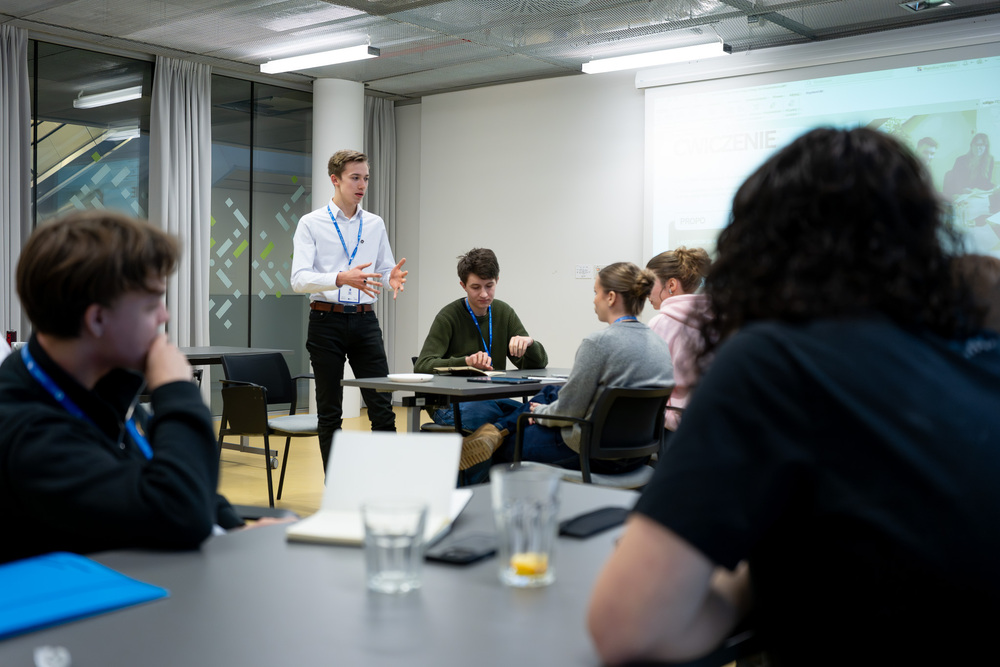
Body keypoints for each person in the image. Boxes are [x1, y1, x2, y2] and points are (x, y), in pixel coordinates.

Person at [587, 128, 1000, 666]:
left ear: (758, 250)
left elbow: (628, 626)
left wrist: (749, 584)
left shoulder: (776, 360)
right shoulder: (977, 355)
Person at [0, 211, 244, 564]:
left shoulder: (95, 382)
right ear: (97, 319)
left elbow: (155, 467)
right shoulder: (29, 433)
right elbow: (178, 511)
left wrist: (234, 530)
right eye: (151, 305)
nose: (165, 317)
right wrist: (176, 389)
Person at [458, 262, 673, 482]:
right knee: (553, 390)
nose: (593, 299)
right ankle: (496, 429)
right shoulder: (659, 344)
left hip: (589, 451)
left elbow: (570, 412)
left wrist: (541, 413)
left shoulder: (598, 343)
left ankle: (481, 475)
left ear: (610, 297)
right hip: (638, 454)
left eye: (595, 292)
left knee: (505, 445)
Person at [291, 149, 408, 469]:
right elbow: (298, 280)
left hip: (365, 322)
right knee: (330, 411)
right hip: (325, 320)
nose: (362, 185)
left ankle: (386, 485)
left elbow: (383, 271)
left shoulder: (374, 224)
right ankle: (335, 489)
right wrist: (340, 278)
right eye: (355, 178)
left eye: (366, 178)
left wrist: (390, 279)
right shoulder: (311, 223)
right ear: (335, 180)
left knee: (382, 407)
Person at [414, 247, 548, 432]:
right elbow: (422, 365)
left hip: (491, 397)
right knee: (492, 417)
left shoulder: (504, 312)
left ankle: (499, 432)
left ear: (497, 281)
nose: (484, 294)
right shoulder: (448, 316)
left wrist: (530, 344)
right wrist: (466, 362)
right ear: (463, 285)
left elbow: (538, 364)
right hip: (451, 402)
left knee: (538, 413)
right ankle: (500, 431)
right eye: (476, 287)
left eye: (489, 286)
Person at [645, 246, 711, 432]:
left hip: (672, 426)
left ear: (671, 285)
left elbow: (648, 382)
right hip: (710, 421)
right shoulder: (717, 319)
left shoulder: (660, 323)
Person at [943, 132, 996, 198]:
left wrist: (994, 188)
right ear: (971, 145)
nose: (978, 147)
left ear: (986, 147)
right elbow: (955, 182)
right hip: (961, 195)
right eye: (976, 144)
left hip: (976, 195)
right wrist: (961, 190)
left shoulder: (989, 160)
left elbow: (986, 182)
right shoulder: (960, 160)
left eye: (981, 145)